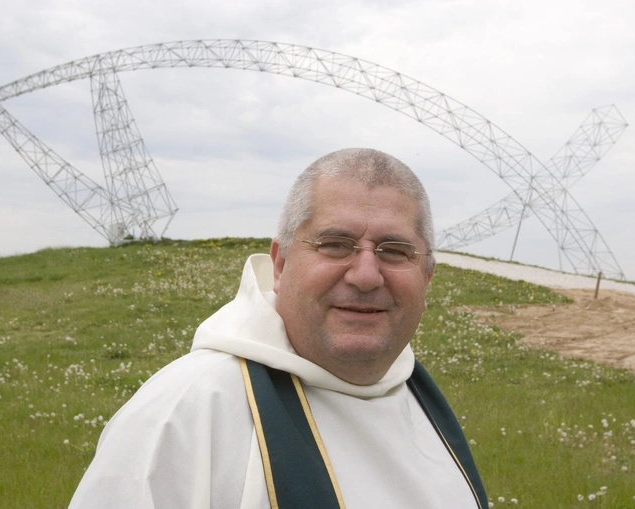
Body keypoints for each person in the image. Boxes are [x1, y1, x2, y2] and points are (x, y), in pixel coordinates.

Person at [68, 148, 487, 509]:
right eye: (335, 245)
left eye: (394, 251)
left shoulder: (419, 399)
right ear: (281, 265)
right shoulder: (182, 412)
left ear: (427, 279)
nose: (365, 276)